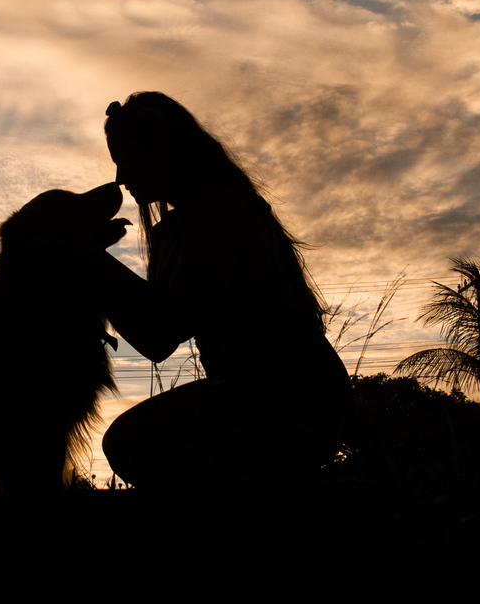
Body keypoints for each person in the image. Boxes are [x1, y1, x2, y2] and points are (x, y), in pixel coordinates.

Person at [93, 91, 351, 488]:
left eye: (127, 159)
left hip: (291, 394)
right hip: (254, 391)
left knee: (133, 442)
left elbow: (161, 330)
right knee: (133, 442)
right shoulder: (182, 227)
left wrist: (90, 262)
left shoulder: (220, 211)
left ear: (163, 149)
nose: (120, 178)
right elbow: (155, 336)